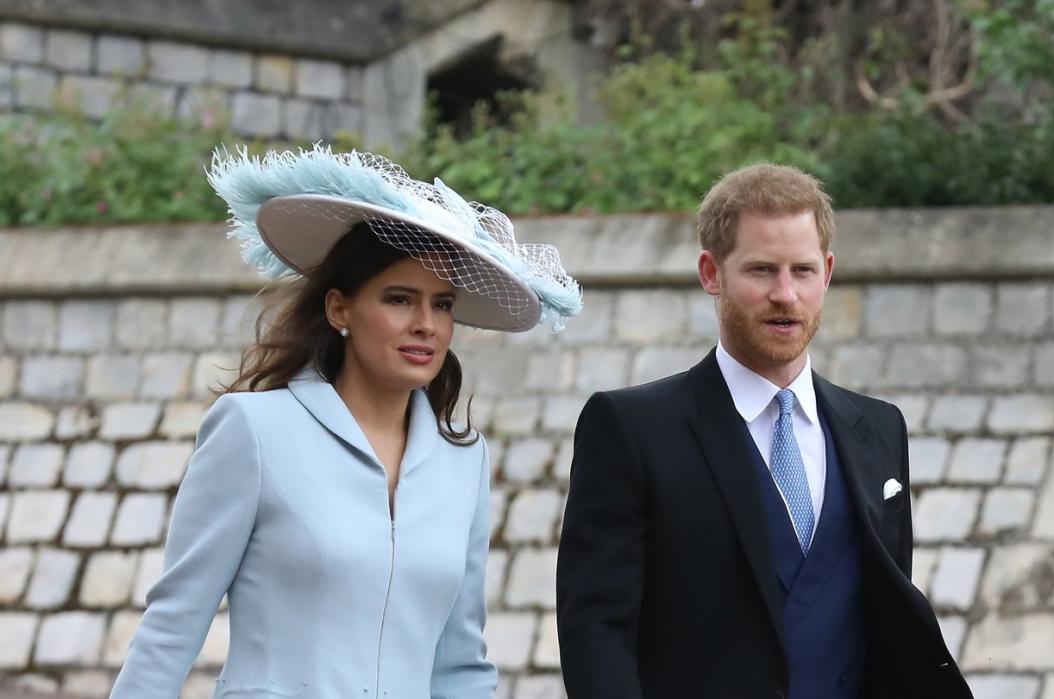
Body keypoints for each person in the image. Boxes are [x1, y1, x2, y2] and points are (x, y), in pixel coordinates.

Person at [110, 147, 581, 698]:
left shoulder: (463, 459)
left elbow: (459, 663)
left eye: (443, 304)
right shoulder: (254, 429)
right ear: (340, 310)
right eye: (400, 299)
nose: (426, 325)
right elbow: (174, 625)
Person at [556, 163, 972, 699]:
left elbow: (885, 621)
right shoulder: (631, 429)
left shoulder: (880, 429)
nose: (785, 294)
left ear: (827, 272)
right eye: (761, 271)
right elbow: (597, 633)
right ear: (711, 273)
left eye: (801, 271)